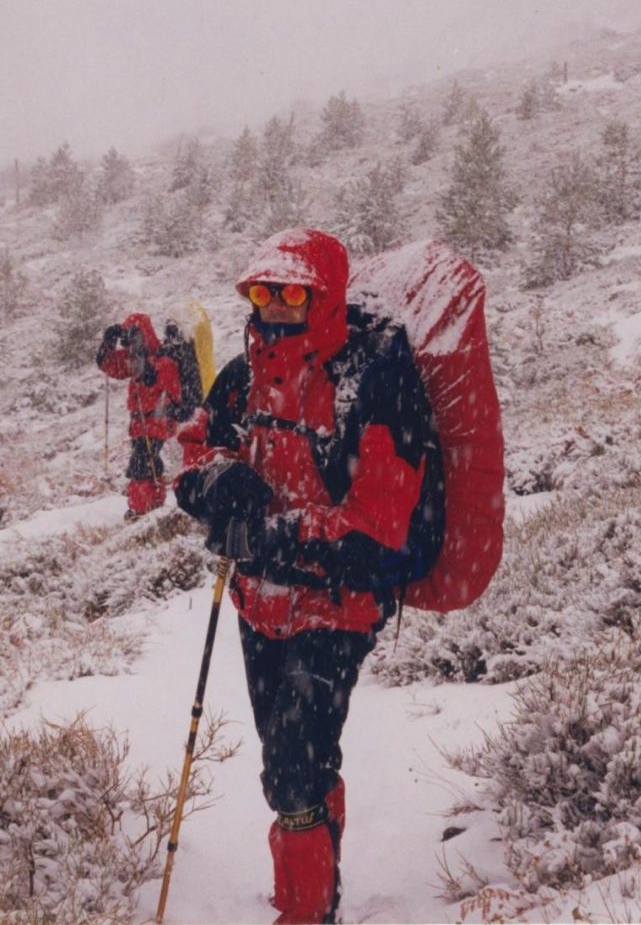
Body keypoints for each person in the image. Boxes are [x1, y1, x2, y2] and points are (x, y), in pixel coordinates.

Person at [174, 228, 445, 924]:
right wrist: (217, 479)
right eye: (263, 292)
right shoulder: (245, 371)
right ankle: (310, 881)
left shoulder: (374, 380)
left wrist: (275, 533)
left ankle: (305, 914)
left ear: (323, 295)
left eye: (294, 291)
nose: (276, 306)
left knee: (292, 766)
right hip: (258, 603)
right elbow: (195, 449)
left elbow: (381, 522)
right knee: (290, 760)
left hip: (338, 607)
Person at [97, 313, 183, 519]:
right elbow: (109, 365)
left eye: (134, 336)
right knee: (149, 461)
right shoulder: (134, 357)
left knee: (141, 462)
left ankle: (140, 509)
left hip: (158, 421)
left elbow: (158, 379)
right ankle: (154, 503)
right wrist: (107, 343)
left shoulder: (163, 359)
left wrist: (142, 358)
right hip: (140, 423)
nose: (131, 343)